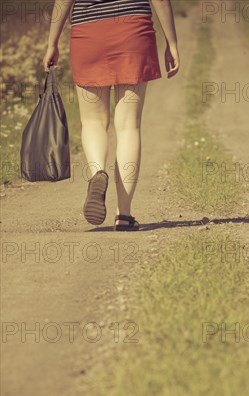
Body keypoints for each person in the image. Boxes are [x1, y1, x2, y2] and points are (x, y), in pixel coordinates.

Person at [42, 0, 179, 231]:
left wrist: (51, 43)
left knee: (93, 121)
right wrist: (172, 42)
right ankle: (124, 216)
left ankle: (97, 172)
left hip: (88, 33)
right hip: (133, 31)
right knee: (128, 126)